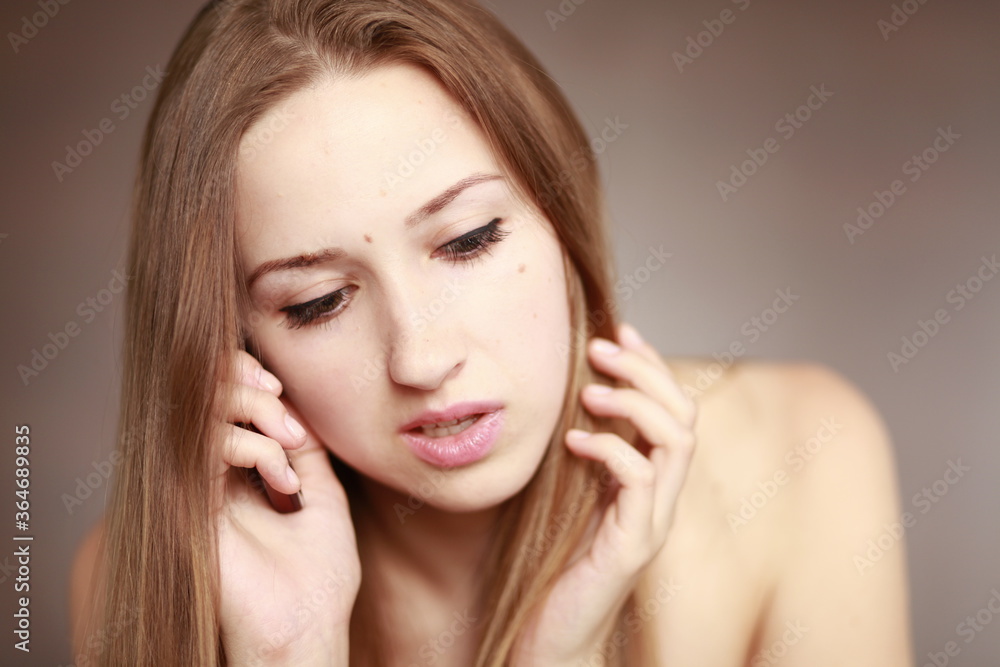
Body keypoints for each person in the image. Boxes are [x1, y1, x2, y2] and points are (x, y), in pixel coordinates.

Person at [69, 0, 913, 664]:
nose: (423, 358)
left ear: (559, 216)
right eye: (319, 301)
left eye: (469, 240)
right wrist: (291, 650)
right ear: (239, 344)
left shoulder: (798, 456)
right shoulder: (144, 580)